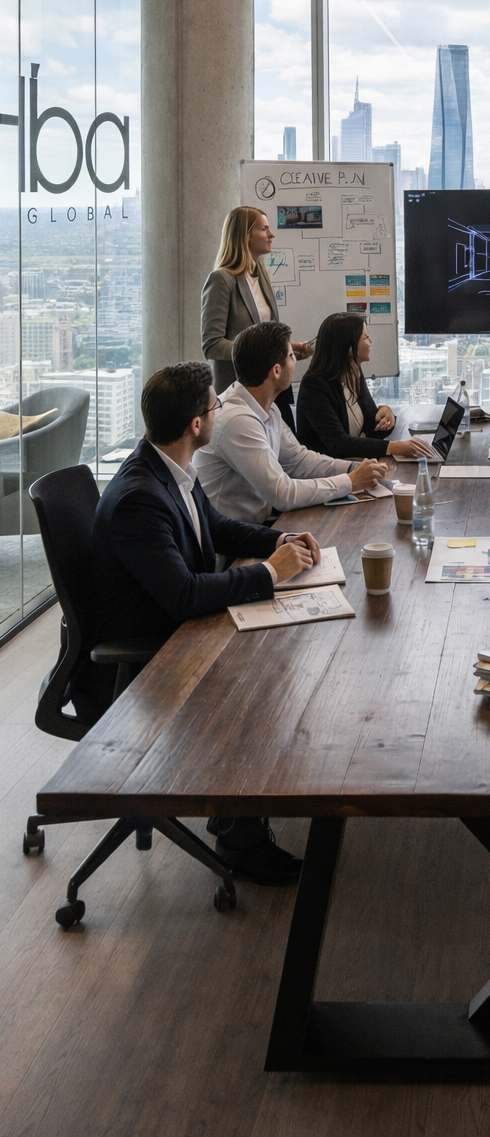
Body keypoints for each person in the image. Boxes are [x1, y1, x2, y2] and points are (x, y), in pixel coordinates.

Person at [90, 361, 319, 883]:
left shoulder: (170, 467)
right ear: (197, 424)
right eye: (214, 405)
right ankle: (242, 841)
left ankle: (244, 808)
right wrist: (268, 573)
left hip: (174, 626)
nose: (218, 410)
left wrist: (277, 544)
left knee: (277, 656)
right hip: (148, 654)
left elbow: (215, 527)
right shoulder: (139, 499)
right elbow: (184, 596)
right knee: (257, 686)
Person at [193, 321, 387, 523]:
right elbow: (282, 493)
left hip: (257, 526)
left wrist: (352, 469)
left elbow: (298, 460)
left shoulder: (267, 407)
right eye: (291, 356)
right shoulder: (236, 420)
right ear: (276, 371)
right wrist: (350, 482)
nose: (296, 363)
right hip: (232, 545)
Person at [201, 206, 312, 434]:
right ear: (245, 235)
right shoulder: (221, 280)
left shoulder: (260, 275)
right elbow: (211, 345)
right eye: (264, 229)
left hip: (271, 392)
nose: (271, 234)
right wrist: (259, 355)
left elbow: (264, 339)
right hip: (240, 396)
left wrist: (291, 349)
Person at [297, 313, 435, 461]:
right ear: (348, 347)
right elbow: (337, 443)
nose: (370, 342)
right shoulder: (314, 386)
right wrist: (394, 447)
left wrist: (387, 415)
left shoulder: (353, 373)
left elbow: (372, 428)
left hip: (352, 465)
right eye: (365, 337)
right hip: (323, 472)